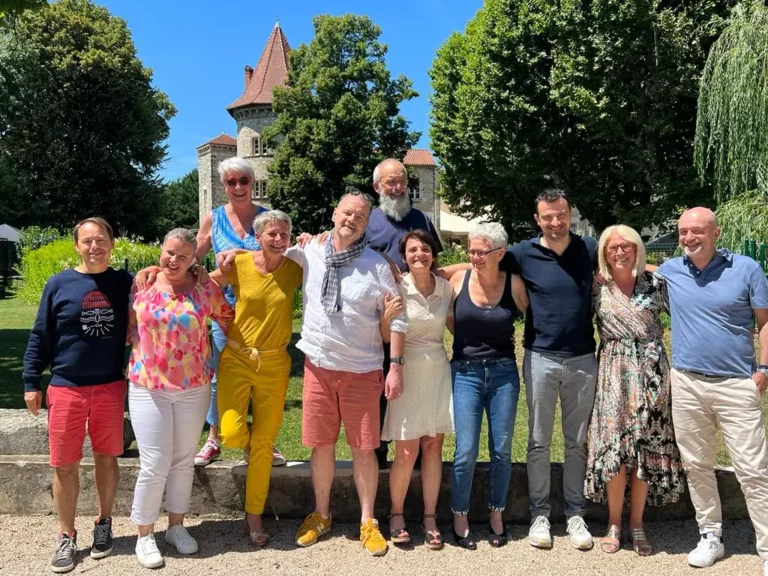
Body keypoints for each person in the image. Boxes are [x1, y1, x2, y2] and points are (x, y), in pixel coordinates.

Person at [289, 191, 407, 557]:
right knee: (321, 445)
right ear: (333, 214)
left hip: (361, 370)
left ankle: (368, 521)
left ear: (366, 224)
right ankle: (321, 514)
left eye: (360, 216)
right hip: (318, 367)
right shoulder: (309, 250)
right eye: (346, 213)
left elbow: (397, 317)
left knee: (363, 448)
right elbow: (266, 253)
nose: (351, 220)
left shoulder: (377, 265)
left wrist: (395, 366)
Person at [657, 207, 768, 572]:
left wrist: (764, 371)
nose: (689, 238)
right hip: (687, 383)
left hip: (737, 384)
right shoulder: (671, 270)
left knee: (753, 470)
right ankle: (710, 536)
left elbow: (765, 322)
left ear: (716, 233)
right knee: (696, 465)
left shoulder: (747, 268)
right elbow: (632, 268)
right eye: (683, 232)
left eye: (698, 231)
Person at [23, 218, 132, 574]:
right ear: (76, 246)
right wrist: (30, 380)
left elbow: (162, 286)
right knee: (64, 463)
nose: (94, 246)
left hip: (109, 385)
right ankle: (66, 534)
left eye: (101, 240)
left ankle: (104, 522)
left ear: (112, 244)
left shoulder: (124, 283)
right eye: (87, 241)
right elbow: (40, 335)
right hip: (66, 386)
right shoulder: (58, 284)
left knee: (106, 457)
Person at [127, 229, 233, 569]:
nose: (173, 260)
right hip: (149, 385)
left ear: (193, 261)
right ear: (161, 249)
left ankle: (176, 526)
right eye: (169, 253)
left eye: (182, 257)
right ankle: (145, 535)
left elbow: (227, 318)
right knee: (154, 462)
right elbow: (128, 326)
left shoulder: (204, 287)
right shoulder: (142, 283)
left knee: (184, 460)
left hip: (194, 386)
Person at [502, 188, 597, 550]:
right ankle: (539, 514)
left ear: (570, 214)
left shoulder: (589, 248)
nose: (556, 222)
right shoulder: (522, 253)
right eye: (548, 217)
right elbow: (481, 261)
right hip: (540, 357)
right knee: (539, 441)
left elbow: (629, 262)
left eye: (561, 215)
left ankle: (575, 514)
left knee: (577, 442)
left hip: (583, 358)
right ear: (537, 219)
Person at [584, 225, 684, 556]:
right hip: (613, 372)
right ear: (604, 252)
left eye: (627, 246)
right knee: (614, 447)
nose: (620, 252)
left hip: (652, 373)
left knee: (645, 446)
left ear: (637, 249)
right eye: (612, 247)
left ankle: (637, 523)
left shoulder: (657, 283)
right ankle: (614, 523)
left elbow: (689, 314)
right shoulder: (597, 285)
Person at [209, 211, 302, 547]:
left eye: (284, 234)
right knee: (232, 434)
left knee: (263, 444)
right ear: (258, 237)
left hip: (275, 364)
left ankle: (254, 515)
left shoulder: (294, 269)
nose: (278, 239)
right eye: (271, 234)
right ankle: (253, 446)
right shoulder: (240, 264)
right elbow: (206, 283)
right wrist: (220, 315)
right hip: (236, 358)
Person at [193, 157, 286, 468]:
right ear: (224, 186)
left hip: (262, 313)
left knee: (262, 379)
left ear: (252, 182)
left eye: (243, 181)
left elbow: (279, 255)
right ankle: (214, 438)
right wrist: (165, 271)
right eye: (231, 182)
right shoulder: (214, 218)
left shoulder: (267, 218)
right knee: (219, 375)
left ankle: (262, 441)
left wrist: (240, 253)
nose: (237, 187)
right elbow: (193, 257)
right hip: (225, 312)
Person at [448, 222, 525, 550]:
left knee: (502, 449)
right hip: (465, 372)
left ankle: (497, 513)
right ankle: (459, 515)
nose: (475, 257)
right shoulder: (458, 280)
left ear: (500, 253)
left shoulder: (514, 284)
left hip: (503, 373)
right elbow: (447, 316)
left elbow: (538, 317)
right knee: (465, 450)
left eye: (481, 252)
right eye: (472, 252)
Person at [366, 158, 444, 469]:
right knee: (380, 388)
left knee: (415, 385)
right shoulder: (367, 220)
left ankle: (420, 453)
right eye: (391, 183)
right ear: (377, 187)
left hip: (418, 319)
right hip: (377, 321)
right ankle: (377, 454)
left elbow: (436, 262)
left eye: (403, 182)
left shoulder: (421, 218)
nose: (398, 188)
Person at [380, 230, 453, 550]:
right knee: (407, 449)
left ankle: (430, 518)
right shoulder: (397, 286)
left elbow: (453, 323)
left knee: (434, 446)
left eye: (425, 249)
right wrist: (385, 319)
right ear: (404, 257)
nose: (419, 254)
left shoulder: (446, 288)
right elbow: (386, 336)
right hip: (406, 369)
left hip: (438, 368)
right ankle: (396, 515)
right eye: (412, 250)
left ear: (433, 254)